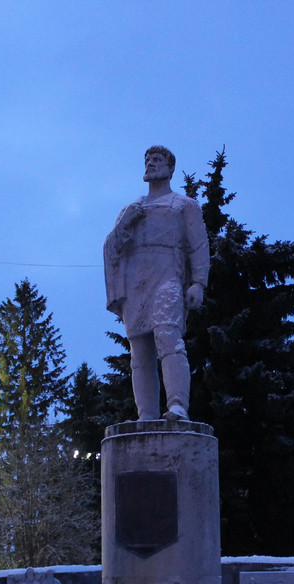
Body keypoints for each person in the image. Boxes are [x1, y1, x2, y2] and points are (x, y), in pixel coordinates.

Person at [104, 146, 210, 421]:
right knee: (139, 351)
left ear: (170, 167)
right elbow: (112, 248)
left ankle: (177, 405)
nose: (150, 164)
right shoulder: (131, 209)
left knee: (168, 338)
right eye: (147, 160)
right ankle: (147, 414)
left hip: (168, 276)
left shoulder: (184, 205)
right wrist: (125, 223)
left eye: (157, 160)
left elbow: (198, 245)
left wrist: (198, 282)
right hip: (135, 283)